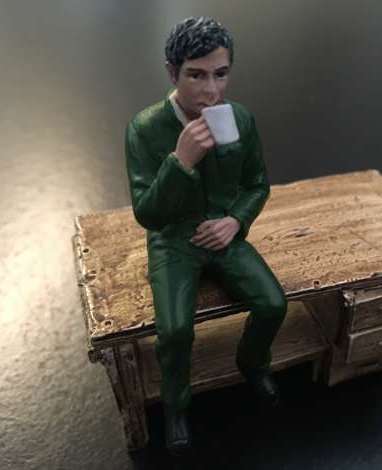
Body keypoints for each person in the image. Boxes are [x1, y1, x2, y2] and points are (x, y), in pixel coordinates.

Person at [124, 16, 288, 456]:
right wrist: (180, 161)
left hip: (223, 232)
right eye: (196, 75)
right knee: (175, 331)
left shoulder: (240, 119)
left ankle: (252, 364)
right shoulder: (145, 128)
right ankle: (177, 405)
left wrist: (235, 220)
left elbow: (257, 184)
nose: (211, 91)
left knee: (273, 304)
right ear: (172, 72)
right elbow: (147, 214)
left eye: (221, 73)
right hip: (173, 240)